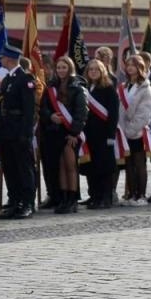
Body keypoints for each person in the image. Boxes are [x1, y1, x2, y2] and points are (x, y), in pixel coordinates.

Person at [41, 57, 88, 215]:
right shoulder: (51, 86)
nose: (61, 70)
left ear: (70, 68)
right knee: (60, 167)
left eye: (64, 67)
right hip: (55, 132)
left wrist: (74, 133)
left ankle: (73, 199)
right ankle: (64, 198)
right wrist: (50, 116)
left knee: (70, 166)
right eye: (59, 67)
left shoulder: (77, 87)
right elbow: (43, 108)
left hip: (70, 133)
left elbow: (81, 112)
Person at [0, 45, 36, 219]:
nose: (0, 60)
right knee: (10, 168)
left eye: (2, 57)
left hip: (19, 129)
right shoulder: (7, 80)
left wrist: (25, 133)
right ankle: (14, 200)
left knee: (24, 168)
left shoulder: (25, 78)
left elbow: (29, 109)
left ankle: (27, 203)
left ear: (10, 58)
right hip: (6, 129)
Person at [81, 59, 121, 209]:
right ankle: (94, 196)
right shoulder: (86, 88)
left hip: (104, 133)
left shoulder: (109, 88)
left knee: (104, 167)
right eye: (90, 69)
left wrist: (111, 136)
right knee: (91, 166)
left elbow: (113, 114)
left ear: (102, 71)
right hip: (89, 134)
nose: (93, 72)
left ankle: (105, 197)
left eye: (96, 69)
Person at [118, 54, 151, 206]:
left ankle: (141, 195)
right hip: (124, 131)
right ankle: (131, 194)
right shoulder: (124, 86)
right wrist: (122, 130)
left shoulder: (146, 88)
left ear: (140, 67)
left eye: (133, 65)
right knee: (129, 164)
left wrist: (131, 130)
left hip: (138, 132)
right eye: (128, 65)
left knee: (140, 164)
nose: (130, 68)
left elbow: (144, 113)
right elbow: (120, 109)